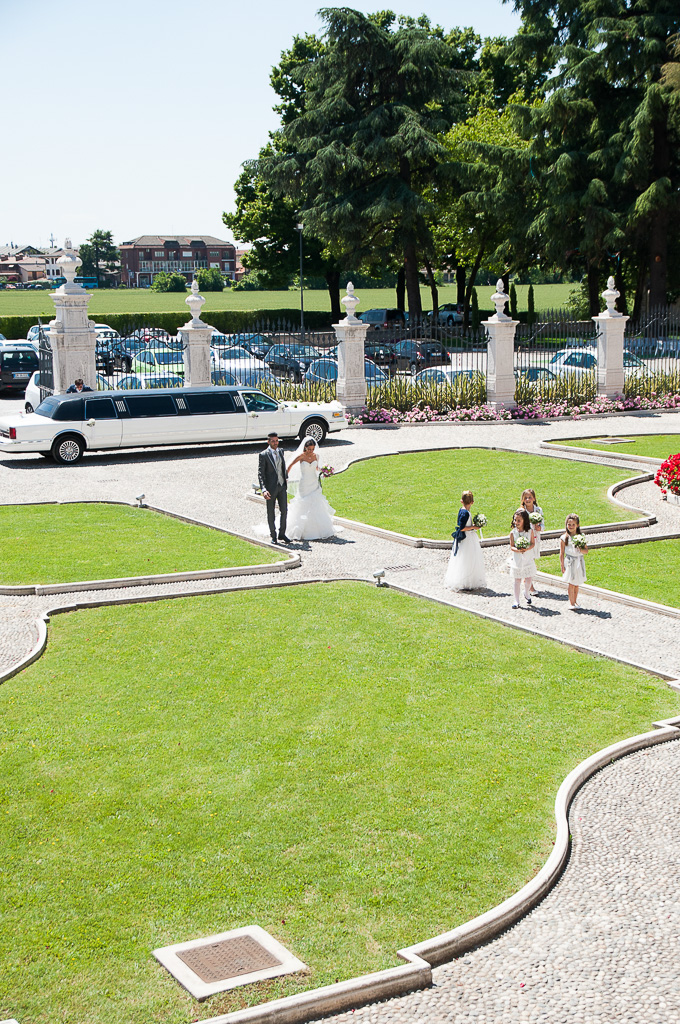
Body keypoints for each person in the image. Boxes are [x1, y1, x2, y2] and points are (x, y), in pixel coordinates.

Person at [286, 438, 340, 541]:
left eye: (312, 449)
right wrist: (286, 477)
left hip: (314, 482)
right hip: (304, 483)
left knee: (315, 502)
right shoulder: (301, 456)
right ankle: (299, 529)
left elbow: (316, 468)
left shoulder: (316, 456)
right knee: (303, 503)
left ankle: (316, 529)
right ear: (305, 448)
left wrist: (325, 471)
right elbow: (290, 466)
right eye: (309, 449)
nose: (311, 451)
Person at [444, 490, 486, 591]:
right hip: (467, 538)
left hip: (468, 537)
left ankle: (466, 580)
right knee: (467, 558)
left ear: (461, 501)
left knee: (466, 558)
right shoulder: (465, 513)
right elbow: (462, 527)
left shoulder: (463, 510)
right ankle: (465, 581)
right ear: (472, 502)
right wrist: (473, 527)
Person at [258, 432, 290, 545]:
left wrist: (286, 478)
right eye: (273, 441)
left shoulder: (281, 451)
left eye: (277, 441)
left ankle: (282, 533)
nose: (275, 443)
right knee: (270, 513)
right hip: (270, 489)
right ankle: (273, 535)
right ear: (268, 441)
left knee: (284, 511)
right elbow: (261, 474)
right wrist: (264, 489)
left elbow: (282, 467)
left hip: (281, 487)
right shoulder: (263, 455)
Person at [508, 508, 535, 609]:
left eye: (519, 520)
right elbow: (512, 546)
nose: (516, 522)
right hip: (518, 559)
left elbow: (533, 543)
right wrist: (519, 550)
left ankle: (526, 592)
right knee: (517, 580)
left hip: (527, 557)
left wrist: (526, 548)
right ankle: (516, 600)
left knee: (528, 578)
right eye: (515, 520)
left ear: (524, 521)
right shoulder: (513, 533)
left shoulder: (530, 531)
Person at [560, 513, 588, 609]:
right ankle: (571, 603)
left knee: (576, 583)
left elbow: (586, 550)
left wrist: (580, 549)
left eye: (573, 525)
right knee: (571, 582)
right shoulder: (564, 538)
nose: (571, 527)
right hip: (570, 561)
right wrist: (562, 565)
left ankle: (575, 601)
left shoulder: (581, 536)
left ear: (577, 525)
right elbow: (561, 553)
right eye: (569, 524)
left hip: (579, 561)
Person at [521, 488, 544, 596]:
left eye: (530, 497)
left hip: (536, 537)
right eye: (526, 498)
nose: (528, 499)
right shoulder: (521, 511)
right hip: (526, 538)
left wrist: (539, 527)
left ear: (534, 498)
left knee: (532, 559)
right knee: (528, 560)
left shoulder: (538, 510)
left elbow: (543, 524)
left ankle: (527, 580)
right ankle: (530, 586)